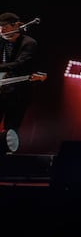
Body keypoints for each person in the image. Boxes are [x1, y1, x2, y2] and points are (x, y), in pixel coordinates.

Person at [0, 12, 40, 149]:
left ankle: (6, 154)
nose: (1, 30)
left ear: (15, 26)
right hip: (1, 90)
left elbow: (20, 64)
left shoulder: (29, 43)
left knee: (11, 128)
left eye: (4, 26)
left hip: (18, 93)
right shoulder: (2, 42)